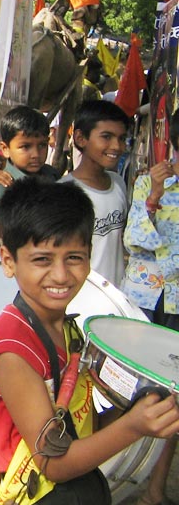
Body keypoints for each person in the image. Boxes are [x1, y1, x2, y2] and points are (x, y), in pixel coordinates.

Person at [0, 177, 179, 505]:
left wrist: (140, 405)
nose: (61, 275)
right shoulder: (13, 349)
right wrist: (135, 425)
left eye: (74, 257)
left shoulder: (66, 328)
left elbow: (82, 426)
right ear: (9, 261)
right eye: (42, 259)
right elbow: (53, 463)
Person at [121, 108, 179, 505]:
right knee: (129, 389)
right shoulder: (147, 183)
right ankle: (114, 476)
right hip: (143, 300)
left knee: (173, 397)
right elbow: (133, 241)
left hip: (175, 304)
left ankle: (154, 490)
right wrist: (155, 197)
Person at [59, 99, 130, 287]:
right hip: (82, 296)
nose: (116, 146)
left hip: (116, 294)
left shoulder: (118, 184)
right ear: (81, 138)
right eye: (106, 137)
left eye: (121, 138)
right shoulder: (64, 192)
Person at [0, 105, 60, 216]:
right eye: (25, 147)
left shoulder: (52, 177)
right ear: (5, 149)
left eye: (42, 145)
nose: (36, 154)